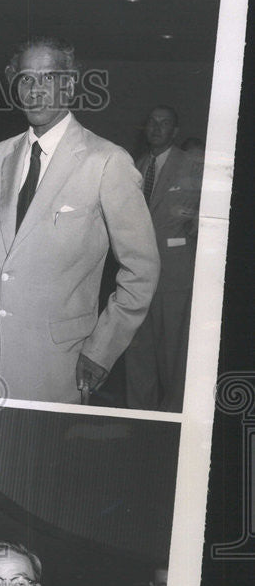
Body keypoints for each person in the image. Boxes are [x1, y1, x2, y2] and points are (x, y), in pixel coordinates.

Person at [0, 37, 160, 404]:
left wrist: (102, 349)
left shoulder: (106, 161)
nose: (35, 90)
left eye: (48, 78)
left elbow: (142, 270)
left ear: (69, 85)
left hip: (59, 368)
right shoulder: (0, 156)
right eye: (26, 79)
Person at [125, 107, 202, 412]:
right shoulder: (137, 166)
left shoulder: (193, 164)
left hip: (174, 277)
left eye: (165, 123)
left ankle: (174, 424)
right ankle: (139, 419)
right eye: (152, 122)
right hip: (138, 277)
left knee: (173, 357)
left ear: (175, 130)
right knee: (138, 355)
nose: (157, 128)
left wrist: (196, 221)